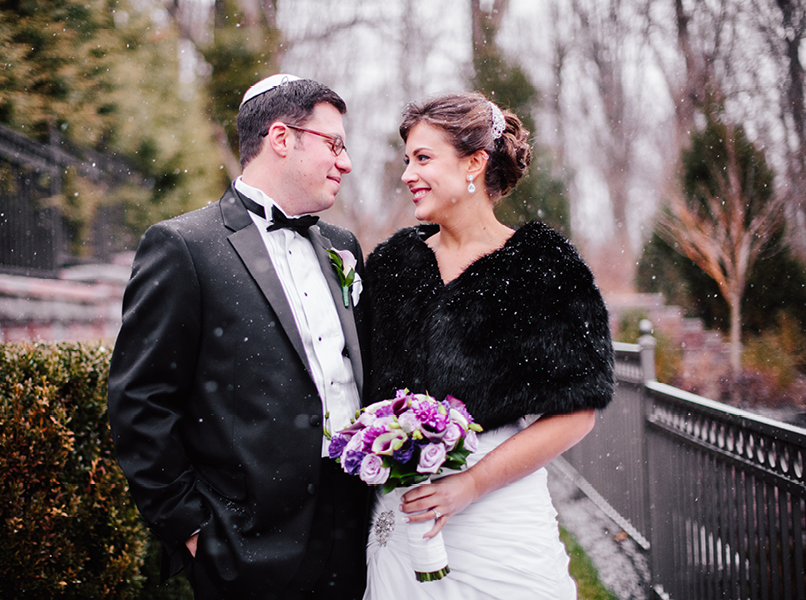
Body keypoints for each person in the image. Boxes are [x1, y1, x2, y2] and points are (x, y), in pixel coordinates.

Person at [108, 74, 371, 600]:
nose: (345, 163)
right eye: (334, 145)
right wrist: (190, 529)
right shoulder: (184, 246)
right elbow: (140, 402)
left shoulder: (343, 247)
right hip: (245, 549)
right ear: (281, 139)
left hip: (355, 539)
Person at [362, 92, 615, 598]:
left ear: (475, 162)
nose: (408, 174)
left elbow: (578, 409)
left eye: (424, 158)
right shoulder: (391, 266)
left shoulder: (544, 267)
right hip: (400, 521)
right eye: (407, 160)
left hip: (497, 518)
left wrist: (470, 485)